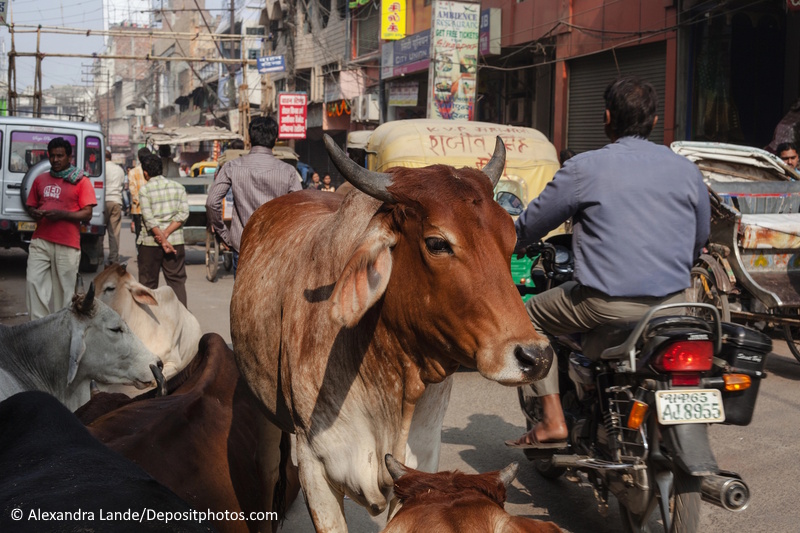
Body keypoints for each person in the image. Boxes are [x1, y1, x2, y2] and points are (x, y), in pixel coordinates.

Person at [505, 76, 711, 449]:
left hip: (604, 304)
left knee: (528, 317)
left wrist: (505, 244)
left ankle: (553, 421)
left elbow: (532, 224)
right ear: (652, 121)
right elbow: (699, 239)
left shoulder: (585, 168)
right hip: (677, 303)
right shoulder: (686, 171)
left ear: (606, 117)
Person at [206, 116, 301, 275]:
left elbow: (211, 202)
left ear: (249, 138)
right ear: (276, 139)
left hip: (243, 247)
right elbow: (300, 211)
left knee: (243, 300)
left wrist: (225, 235)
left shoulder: (232, 167)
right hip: (277, 248)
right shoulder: (288, 172)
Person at [25, 137, 97, 320]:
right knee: (34, 282)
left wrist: (62, 214)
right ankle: (38, 327)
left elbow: (87, 213)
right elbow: (31, 206)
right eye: (52, 156)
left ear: (69, 157)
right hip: (40, 239)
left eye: (60, 156)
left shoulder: (81, 181)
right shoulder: (40, 179)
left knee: (64, 292)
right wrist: (35, 213)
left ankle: (60, 328)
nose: (56, 160)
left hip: (67, 243)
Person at [137, 154, 189, 307]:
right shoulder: (178, 188)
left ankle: (149, 321)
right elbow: (183, 213)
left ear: (145, 173)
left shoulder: (145, 190)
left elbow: (149, 219)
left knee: (148, 285)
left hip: (150, 243)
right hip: (176, 242)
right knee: (177, 282)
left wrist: (162, 237)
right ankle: (182, 319)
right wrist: (166, 235)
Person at [104, 150, 126, 265]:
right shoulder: (119, 169)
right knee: (114, 232)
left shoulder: (101, 168)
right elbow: (122, 185)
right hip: (116, 201)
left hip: (103, 202)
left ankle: (98, 256)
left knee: (99, 232)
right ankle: (113, 258)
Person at [128, 147, 152, 242]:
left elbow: (133, 191)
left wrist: (139, 201)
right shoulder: (152, 170)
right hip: (151, 207)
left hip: (137, 208)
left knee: (139, 234)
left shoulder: (132, 172)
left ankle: (140, 254)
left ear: (138, 157)